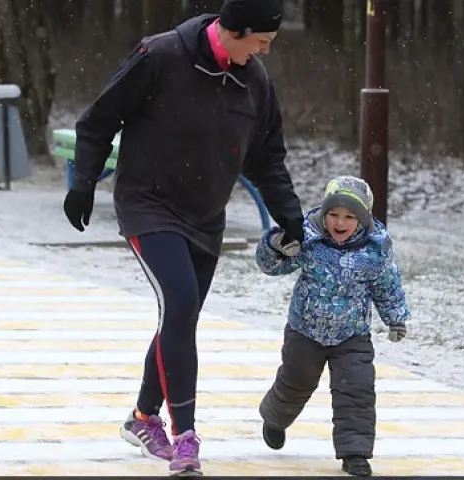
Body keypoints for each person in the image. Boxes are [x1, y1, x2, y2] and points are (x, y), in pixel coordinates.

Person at [62, 0, 305, 476]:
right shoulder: (161, 56)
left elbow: (266, 159)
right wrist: (83, 182)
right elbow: (99, 119)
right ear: (233, 30)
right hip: (148, 204)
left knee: (182, 312)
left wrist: (291, 218)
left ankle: (143, 417)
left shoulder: (254, 80)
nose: (264, 51)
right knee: (178, 302)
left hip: (205, 216)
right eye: (260, 41)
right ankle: (186, 436)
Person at [254, 175, 411, 477]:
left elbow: (387, 285)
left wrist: (395, 317)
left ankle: (355, 453)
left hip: (352, 336)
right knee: (295, 383)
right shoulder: (308, 240)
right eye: (334, 214)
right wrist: (275, 245)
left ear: (362, 220)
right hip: (305, 331)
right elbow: (272, 266)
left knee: (357, 391)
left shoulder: (374, 251)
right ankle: (275, 417)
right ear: (324, 215)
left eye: (350, 216)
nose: (340, 222)